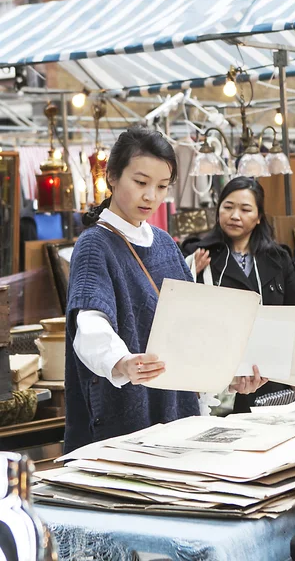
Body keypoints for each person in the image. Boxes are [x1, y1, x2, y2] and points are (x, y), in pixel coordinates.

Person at [64, 128, 266, 453]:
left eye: (161, 186)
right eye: (141, 182)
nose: (151, 196)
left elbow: (193, 328)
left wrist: (228, 375)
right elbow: (89, 323)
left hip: (177, 412)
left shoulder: (163, 244)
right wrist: (122, 361)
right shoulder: (94, 244)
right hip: (123, 417)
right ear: (112, 177)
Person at [181, 176, 295, 413]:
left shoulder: (278, 259)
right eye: (228, 207)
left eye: (245, 209)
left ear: (259, 217)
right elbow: (179, 311)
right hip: (218, 379)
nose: (235, 215)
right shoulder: (197, 253)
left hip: (269, 379)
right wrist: (188, 271)